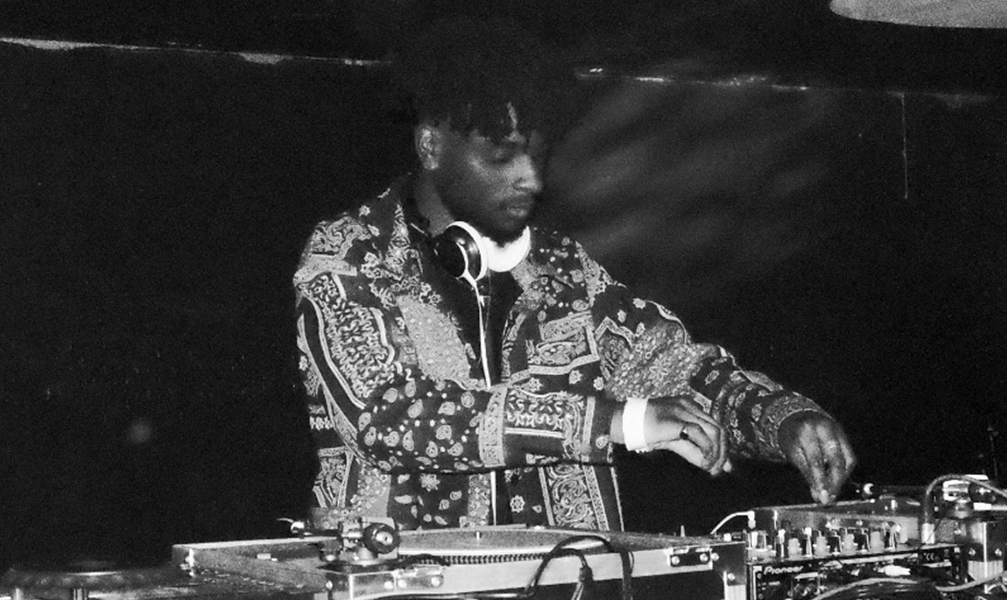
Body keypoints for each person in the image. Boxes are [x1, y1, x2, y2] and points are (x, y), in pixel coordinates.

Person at [291, 16, 856, 531]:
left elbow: (674, 372)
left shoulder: (563, 270)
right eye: (502, 156)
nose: (531, 180)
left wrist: (782, 420)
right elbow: (391, 416)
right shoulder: (347, 256)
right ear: (431, 145)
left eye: (537, 156)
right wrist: (615, 421)